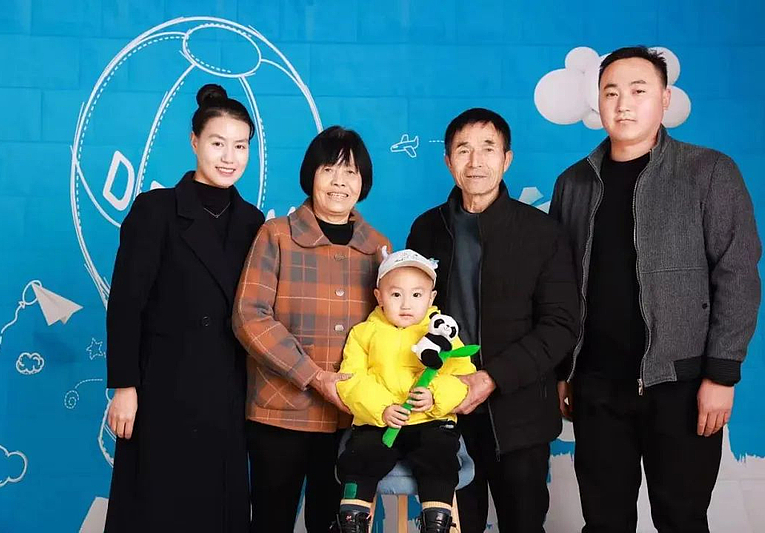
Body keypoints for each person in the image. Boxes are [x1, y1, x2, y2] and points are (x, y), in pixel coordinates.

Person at [550, 46, 762, 532]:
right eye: (611, 93)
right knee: (603, 521)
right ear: (597, 103)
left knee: (682, 519)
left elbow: (738, 273)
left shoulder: (708, 171)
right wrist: (565, 371)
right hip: (597, 385)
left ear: (664, 99)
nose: (623, 104)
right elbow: (559, 286)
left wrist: (721, 375)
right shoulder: (573, 183)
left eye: (638, 91)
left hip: (682, 385)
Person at [407, 108, 580, 532]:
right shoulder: (426, 229)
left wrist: (491, 378)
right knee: (454, 525)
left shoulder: (542, 233)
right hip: (445, 414)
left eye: (488, 149)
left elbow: (561, 324)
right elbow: (409, 318)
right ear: (448, 161)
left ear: (507, 159)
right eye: (463, 150)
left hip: (520, 414)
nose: (475, 161)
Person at [105, 83, 265, 532]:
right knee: (156, 507)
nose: (229, 157)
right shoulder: (154, 210)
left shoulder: (253, 221)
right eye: (218, 144)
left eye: (240, 146)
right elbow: (126, 304)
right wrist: (124, 387)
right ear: (195, 142)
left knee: (218, 508)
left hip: (228, 392)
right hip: (161, 388)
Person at [232, 126, 391, 533]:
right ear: (311, 175)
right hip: (279, 413)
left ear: (363, 182)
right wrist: (314, 376)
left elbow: (391, 328)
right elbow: (250, 316)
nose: (340, 182)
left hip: (350, 417)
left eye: (351, 172)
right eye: (329, 169)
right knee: (271, 521)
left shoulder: (379, 248)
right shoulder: (276, 235)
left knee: (336, 523)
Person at [332, 249, 477, 533]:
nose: (406, 304)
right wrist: (381, 409)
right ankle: (352, 519)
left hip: (430, 421)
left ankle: (437, 521)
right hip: (379, 423)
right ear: (379, 296)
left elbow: (462, 378)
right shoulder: (363, 333)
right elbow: (351, 380)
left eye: (417, 295)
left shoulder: (444, 335)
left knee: (439, 455)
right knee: (360, 456)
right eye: (396, 294)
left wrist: (435, 396)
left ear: (431, 298)